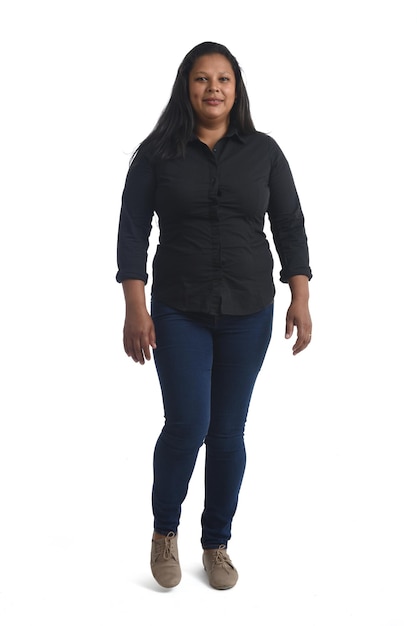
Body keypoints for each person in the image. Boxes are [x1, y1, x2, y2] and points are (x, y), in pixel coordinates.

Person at [116, 41, 312, 590]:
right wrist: (136, 307)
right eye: (202, 79)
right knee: (187, 425)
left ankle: (216, 543)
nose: (213, 89)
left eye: (223, 79)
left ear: (237, 87)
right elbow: (133, 232)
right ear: (187, 87)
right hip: (179, 308)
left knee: (228, 433)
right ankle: (164, 532)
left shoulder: (265, 152)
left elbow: (290, 226)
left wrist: (300, 296)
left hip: (250, 309)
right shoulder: (157, 153)